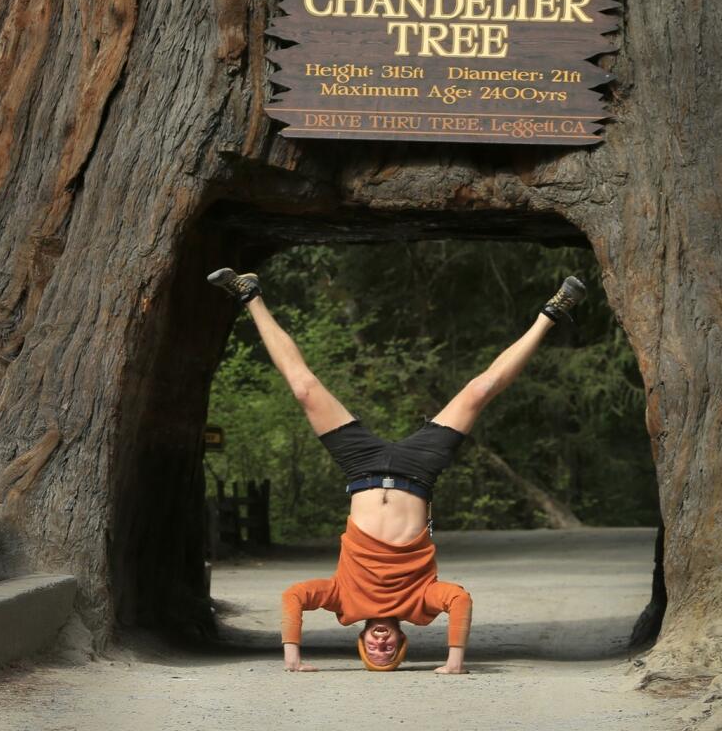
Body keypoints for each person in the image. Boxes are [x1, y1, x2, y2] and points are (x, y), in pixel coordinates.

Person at [207, 267, 585, 673]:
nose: (381, 647)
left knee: (303, 388)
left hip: (361, 469)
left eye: (374, 653)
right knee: (479, 391)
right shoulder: (420, 606)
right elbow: (458, 600)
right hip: (418, 473)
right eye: (390, 653)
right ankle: (552, 312)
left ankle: (250, 296)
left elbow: (294, 596)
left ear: (361, 640)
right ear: (403, 639)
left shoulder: (344, 603)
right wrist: (454, 661)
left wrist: (293, 658)